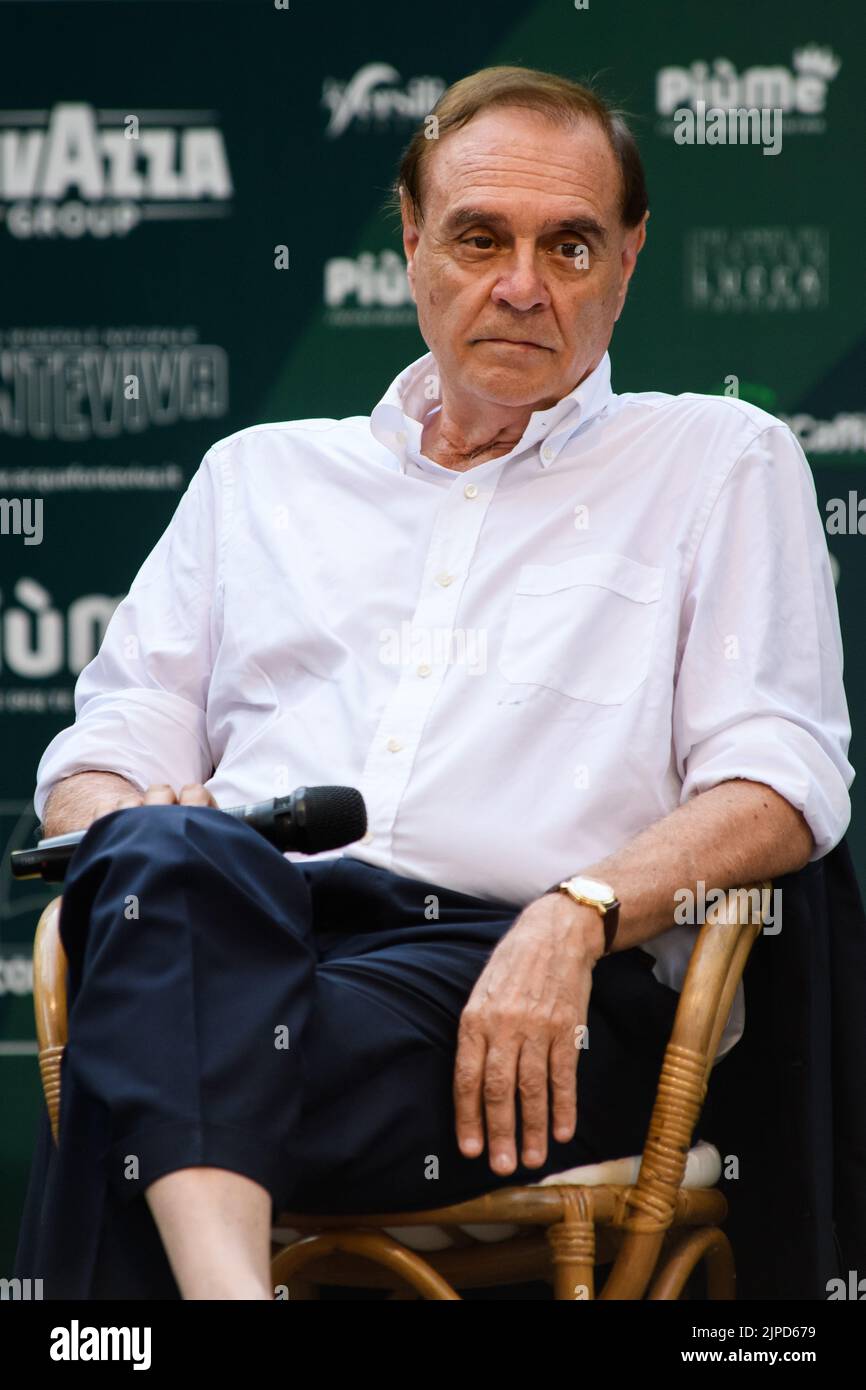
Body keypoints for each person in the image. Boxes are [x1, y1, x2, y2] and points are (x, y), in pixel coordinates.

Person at [15, 65, 852, 1300]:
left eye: (567, 244)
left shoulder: (719, 460)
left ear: (627, 258)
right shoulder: (258, 479)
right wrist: (131, 822)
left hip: (520, 982)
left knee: (140, 1058)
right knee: (157, 860)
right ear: (411, 247)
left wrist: (575, 910)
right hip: (245, 942)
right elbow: (97, 754)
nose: (521, 285)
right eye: (478, 237)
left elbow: (780, 777)